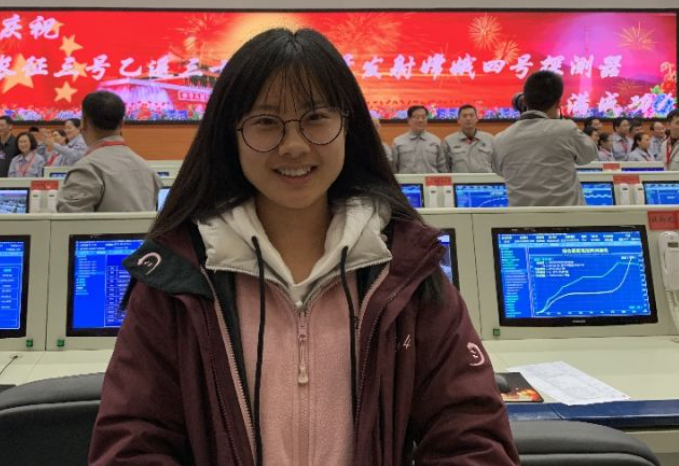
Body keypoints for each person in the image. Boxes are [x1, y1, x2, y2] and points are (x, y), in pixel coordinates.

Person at [88, 28, 519, 466]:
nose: (294, 146)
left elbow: (471, 437)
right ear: (230, 134)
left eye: (316, 118)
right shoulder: (176, 279)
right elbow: (132, 445)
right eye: (265, 122)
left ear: (347, 125)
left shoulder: (408, 270)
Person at [492, 70, 597, 206]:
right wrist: (559, 120)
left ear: (525, 101)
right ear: (558, 103)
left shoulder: (500, 138)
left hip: (522, 218)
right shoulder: (565, 129)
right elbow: (589, 155)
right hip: (568, 217)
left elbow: (500, 171)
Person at [56, 91, 162, 212]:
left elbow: (69, 222)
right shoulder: (148, 170)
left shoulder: (86, 169)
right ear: (122, 124)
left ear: (83, 123)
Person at [391, 105, 447, 173]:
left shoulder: (436, 141)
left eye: (423, 117)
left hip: (430, 180)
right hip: (407, 180)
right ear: (409, 120)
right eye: (417, 117)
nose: (420, 120)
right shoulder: (398, 142)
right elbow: (393, 169)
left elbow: (442, 169)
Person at [442, 104, 494, 173]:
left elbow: (496, 165)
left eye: (471, 115)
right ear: (458, 120)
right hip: (460, 180)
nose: (468, 118)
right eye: (464, 116)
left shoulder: (490, 139)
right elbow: (445, 168)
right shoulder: (449, 141)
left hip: (486, 180)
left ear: (477, 119)